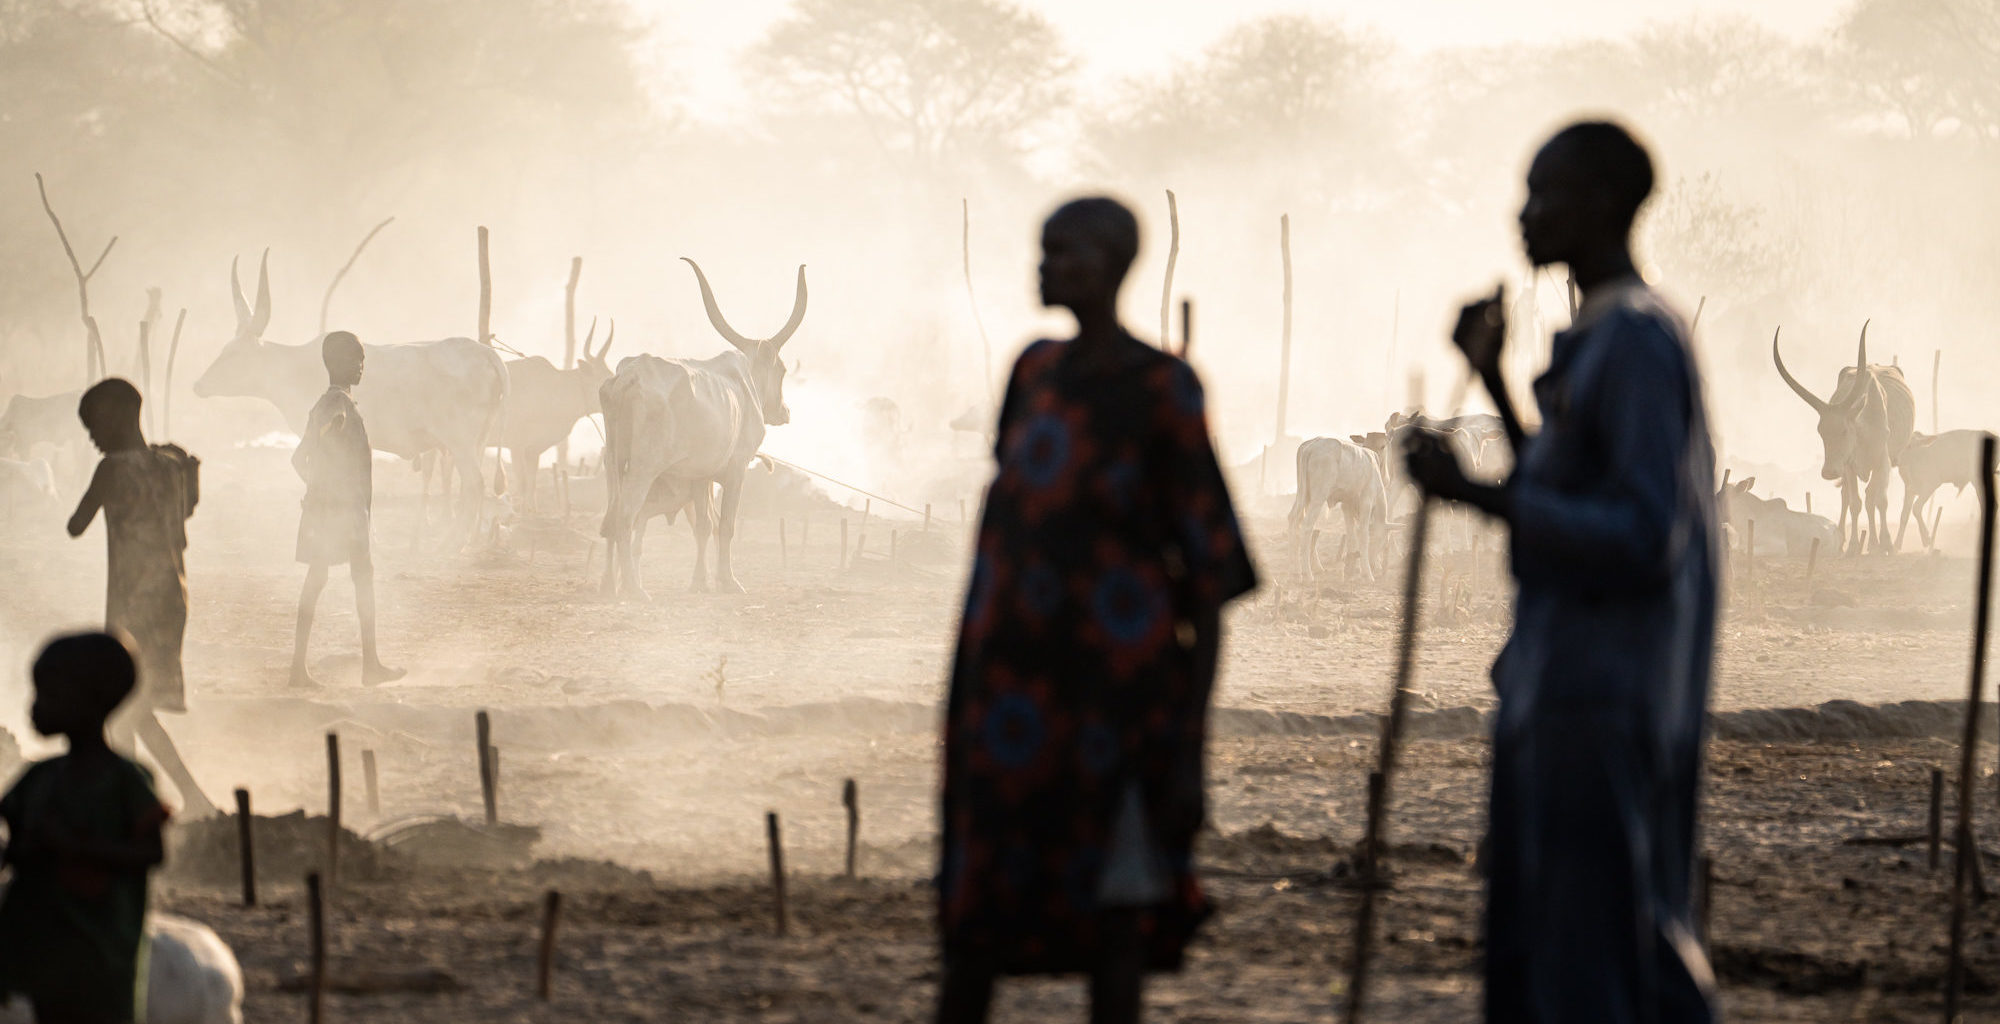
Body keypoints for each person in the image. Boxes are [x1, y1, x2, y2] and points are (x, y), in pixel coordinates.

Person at [1404, 120, 1719, 1022]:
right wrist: (1494, 382)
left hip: (1604, 689)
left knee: (1606, 946)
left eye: (1546, 194)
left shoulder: (1637, 341)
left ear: (1607, 203)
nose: (1525, 216)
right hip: (1557, 681)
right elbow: (1571, 480)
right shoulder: (1599, 335)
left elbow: (1640, 530)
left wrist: (1475, 496)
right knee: (1554, 938)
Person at [937, 197, 1257, 1024]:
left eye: (1064, 252)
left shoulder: (1163, 388)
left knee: (1116, 924)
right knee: (974, 932)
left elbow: (1209, 578)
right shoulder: (1032, 371)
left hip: (1118, 710)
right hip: (1008, 700)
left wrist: (1189, 746)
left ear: (1113, 264)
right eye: (1043, 250)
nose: (1044, 266)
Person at [0, 632, 172, 1024]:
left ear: (88, 703)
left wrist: (73, 847)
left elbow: (151, 852)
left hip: (102, 952)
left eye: (48, 694)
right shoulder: (40, 778)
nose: (34, 706)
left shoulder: (125, 781)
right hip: (46, 951)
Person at [65, 378, 215, 819]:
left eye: (94, 427)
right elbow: (189, 507)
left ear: (118, 416)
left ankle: (186, 796)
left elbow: (75, 525)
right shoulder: (171, 464)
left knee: (127, 704)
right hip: (171, 597)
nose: (93, 439)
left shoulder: (112, 470)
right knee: (127, 703)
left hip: (134, 600)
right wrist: (187, 466)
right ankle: (131, 799)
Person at [290, 331, 404, 688]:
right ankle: (368, 666)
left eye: (362, 360)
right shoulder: (336, 403)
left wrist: (318, 488)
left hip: (334, 509)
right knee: (360, 581)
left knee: (321, 579)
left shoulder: (331, 403)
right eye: (357, 360)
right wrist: (327, 489)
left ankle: (302, 669)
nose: (361, 367)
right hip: (343, 512)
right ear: (338, 363)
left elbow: (299, 458)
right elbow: (310, 450)